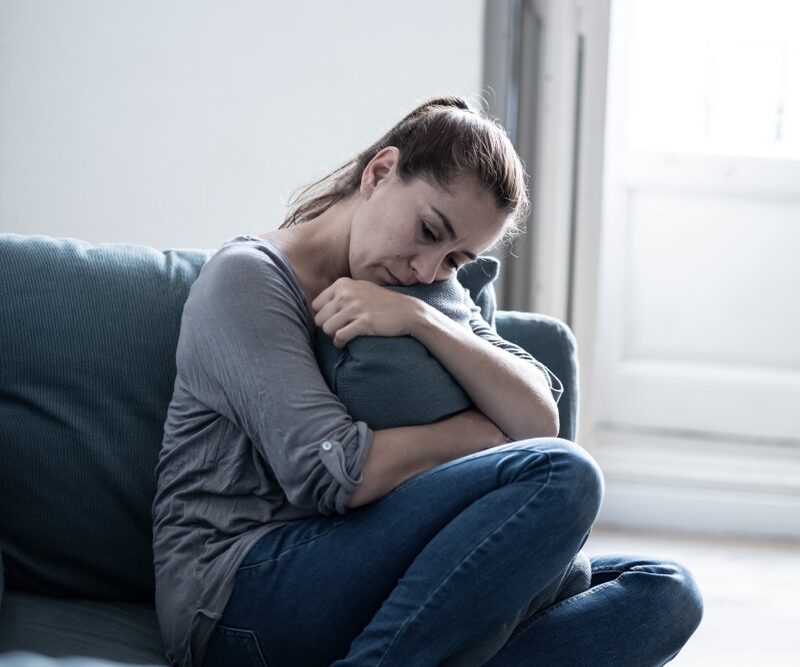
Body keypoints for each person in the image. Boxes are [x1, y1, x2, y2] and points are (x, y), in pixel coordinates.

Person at [152, 95, 703, 667]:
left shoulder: (423, 289)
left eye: (454, 260)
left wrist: (423, 320)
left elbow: (539, 419)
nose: (424, 268)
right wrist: (484, 435)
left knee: (667, 593)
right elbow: (333, 473)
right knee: (566, 477)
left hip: (373, 574)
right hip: (236, 595)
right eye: (427, 229)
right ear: (380, 172)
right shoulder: (247, 279)